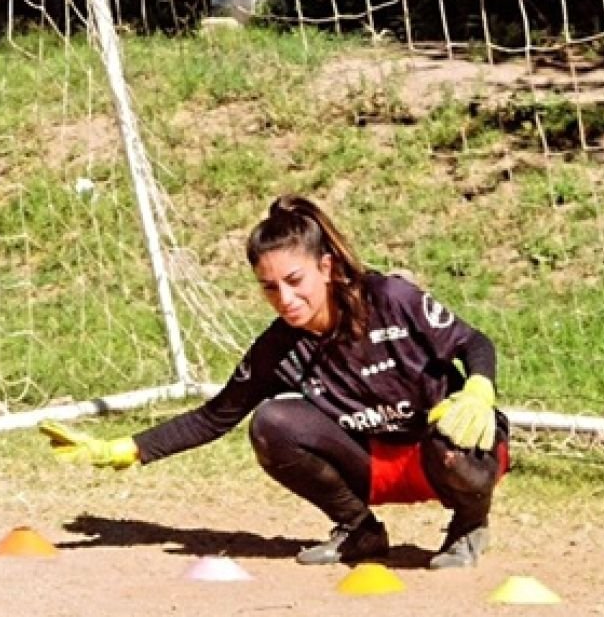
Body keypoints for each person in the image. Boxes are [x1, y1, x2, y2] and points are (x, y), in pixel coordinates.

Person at [39, 193, 509, 569]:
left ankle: (470, 525)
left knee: (455, 438)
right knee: (272, 423)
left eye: (295, 279)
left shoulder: (390, 297)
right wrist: (124, 448)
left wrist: (479, 388)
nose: (284, 298)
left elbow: (474, 341)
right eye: (269, 287)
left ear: (325, 268)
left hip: (445, 452)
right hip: (376, 465)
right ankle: (359, 531)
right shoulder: (278, 349)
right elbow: (213, 416)